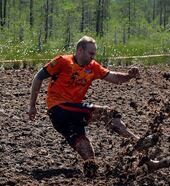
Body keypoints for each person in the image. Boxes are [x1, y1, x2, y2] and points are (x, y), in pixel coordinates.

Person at [28, 35, 150, 178]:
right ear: (80, 50)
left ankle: (91, 173)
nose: (93, 57)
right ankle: (137, 142)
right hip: (59, 108)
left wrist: (129, 76)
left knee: (87, 152)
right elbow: (38, 77)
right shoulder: (62, 61)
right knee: (110, 114)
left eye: (94, 54)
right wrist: (32, 105)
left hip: (68, 116)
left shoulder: (93, 67)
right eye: (91, 53)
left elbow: (114, 78)